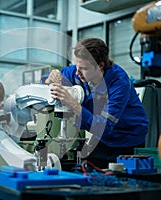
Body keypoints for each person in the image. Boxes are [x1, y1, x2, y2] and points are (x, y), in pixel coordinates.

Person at [42, 38, 148, 169]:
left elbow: (104, 127)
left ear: (100, 66)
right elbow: (46, 81)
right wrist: (50, 77)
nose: (77, 72)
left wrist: (71, 102)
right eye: (76, 66)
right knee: (89, 170)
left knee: (122, 180)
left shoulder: (119, 83)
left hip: (127, 138)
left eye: (83, 68)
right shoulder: (77, 72)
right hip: (102, 139)